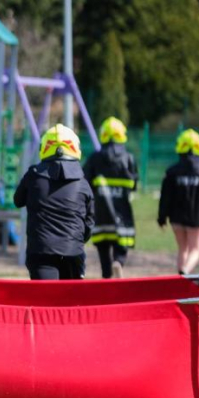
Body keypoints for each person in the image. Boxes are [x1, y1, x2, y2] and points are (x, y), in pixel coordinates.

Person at [14, 124, 94, 280]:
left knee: (45, 295)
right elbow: (89, 223)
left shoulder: (33, 176)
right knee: (70, 296)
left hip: (41, 251)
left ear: (45, 147)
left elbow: (17, 201)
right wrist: (74, 240)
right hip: (73, 252)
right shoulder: (82, 182)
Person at [83, 117, 138, 278]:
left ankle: (106, 275)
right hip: (122, 210)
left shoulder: (95, 158)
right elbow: (134, 184)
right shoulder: (128, 158)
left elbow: (85, 182)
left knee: (103, 245)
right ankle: (118, 261)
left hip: (100, 210)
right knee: (122, 241)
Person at [157, 129, 199, 275]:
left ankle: (181, 278)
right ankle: (185, 272)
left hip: (176, 218)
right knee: (195, 250)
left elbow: (165, 197)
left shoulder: (171, 172)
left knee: (182, 249)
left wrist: (162, 217)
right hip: (197, 218)